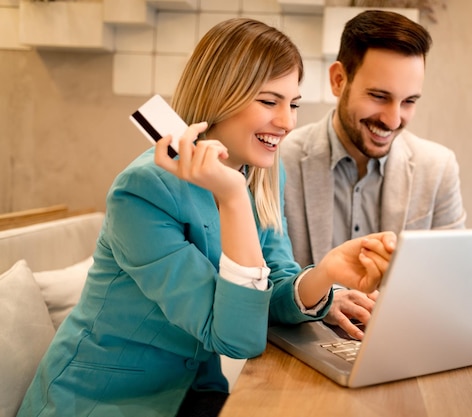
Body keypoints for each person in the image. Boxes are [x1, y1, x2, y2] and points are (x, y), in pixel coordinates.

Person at [17, 18, 396, 417]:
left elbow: (274, 284)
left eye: (293, 103)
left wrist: (325, 275)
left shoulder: (263, 170)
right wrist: (232, 196)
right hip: (99, 401)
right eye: (269, 101)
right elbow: (237, 337)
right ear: (221, 97)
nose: (287, 122)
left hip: (194, 394)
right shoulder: (144, 189)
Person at [281, 10, 467, 340]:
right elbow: (265, 277)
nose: (393, 120)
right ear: (339, 80)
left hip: (398, 347)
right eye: (379, 96)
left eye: (409, 101)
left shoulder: (438, 168)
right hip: (302, 353)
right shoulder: (281, 161)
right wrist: (325, 296)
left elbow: (453, 281)